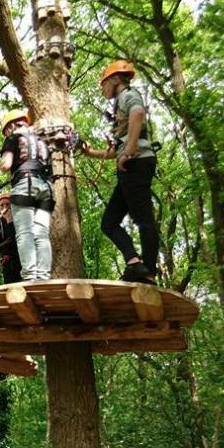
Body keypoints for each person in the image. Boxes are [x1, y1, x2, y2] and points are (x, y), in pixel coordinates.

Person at [81, 60, 158, 285]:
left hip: (136, 163)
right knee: (109, 222)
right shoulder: (119, 104)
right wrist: (89, 153)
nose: (103, 89)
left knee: (144, 219)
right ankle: (135, 263)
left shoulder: (127, 95)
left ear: (115, 80)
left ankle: (149, 272)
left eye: (104, 83)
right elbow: (117, 149)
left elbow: (138, 114)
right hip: (130, 164)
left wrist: (130, 150)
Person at [0, 109, 53, 281]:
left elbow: (6, 165)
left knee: (24, 233)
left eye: (6, 130)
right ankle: (43, 277)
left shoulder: (13, 138)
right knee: (41, 233)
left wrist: (2, 160)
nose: (6, 133)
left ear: (11, 126)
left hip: (24, 185)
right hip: (46, 189)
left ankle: (29, 276)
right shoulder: (43, 141)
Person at [0, 191, 22, 284]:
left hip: (20, 262)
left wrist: (9, 220)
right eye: (2, 205)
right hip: (7, 264)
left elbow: (16, 241)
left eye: (7, 204)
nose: (5, 208)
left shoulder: (20, 220)